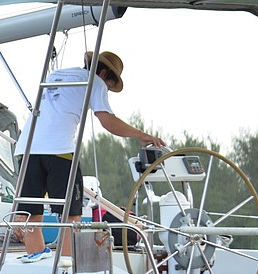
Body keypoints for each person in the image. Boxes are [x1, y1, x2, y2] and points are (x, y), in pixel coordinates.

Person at [14, 50, 165, 262]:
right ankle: (66, 264)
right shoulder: (96, 81)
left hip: (25, 148)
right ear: (104, 73)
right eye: (109, 88)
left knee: (31, 211)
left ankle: (35, 256)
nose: (107, 92)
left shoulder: (56, 76)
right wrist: (140, 135)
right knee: (70, 213)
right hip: (59, 150)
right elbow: (107, 120)